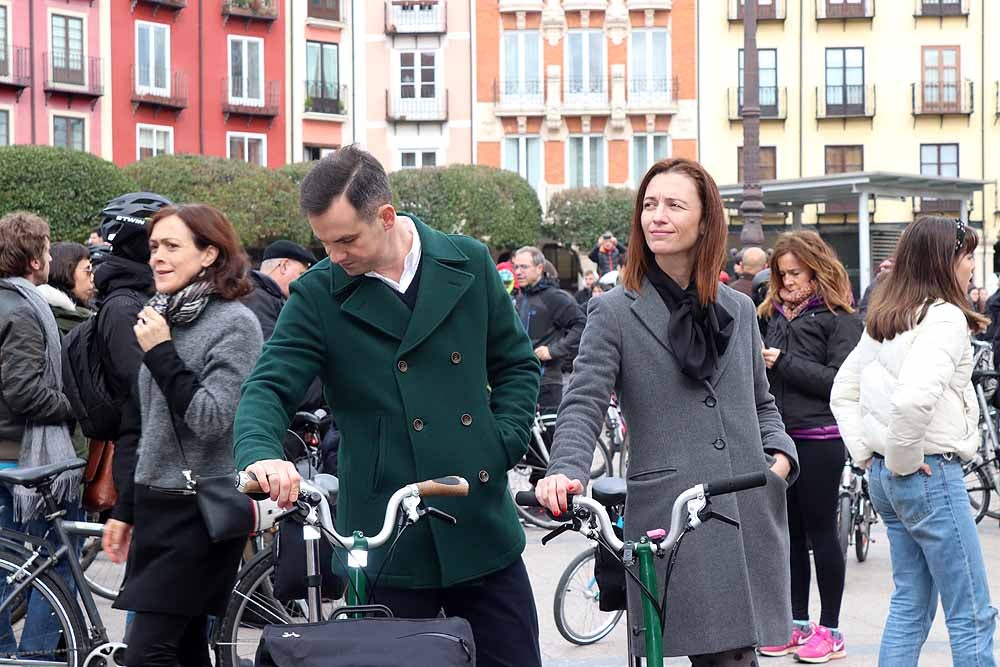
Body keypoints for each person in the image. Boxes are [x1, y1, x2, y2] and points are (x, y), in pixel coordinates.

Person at [232, 145, 543, 667]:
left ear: (386, 216)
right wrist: (262, 454)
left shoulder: (468, 260)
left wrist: (498, 444)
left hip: (481, 526)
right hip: (383, 539)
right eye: (324, 242)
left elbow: (515, 365)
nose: (334, 255)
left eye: (346, 239)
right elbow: (267, 387)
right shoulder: (316, 295)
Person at [537, 157, 798, 666]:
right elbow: (585, 398)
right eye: (649, 205)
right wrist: (566, 468)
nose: (657, 215)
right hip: (674, 515)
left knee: (736, 656)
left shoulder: (739, 309)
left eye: (674, 205)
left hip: (746, 504)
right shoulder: (613, 310)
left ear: (705, 221)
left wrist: (779, 461)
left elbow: (763, 404)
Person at [831, 216, 997, 666]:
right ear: (947, 261)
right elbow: (911, 401)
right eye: (967, 257)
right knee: (972, 614)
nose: (971, 268)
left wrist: (870, 456)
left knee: (911, 604)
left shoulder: (890, 316)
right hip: (925, 472)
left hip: (890, 475)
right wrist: (902, 460)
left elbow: (842, 391)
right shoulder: (944, 318)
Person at [102, 204, 262, 666]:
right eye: (154, 247)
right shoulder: (161, 316)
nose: (158, 258)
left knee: (147, 651)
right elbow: (144, 424)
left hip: (200, 513)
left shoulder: (234, 324)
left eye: (172, 246)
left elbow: (213, 418)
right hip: (158, 505)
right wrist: (125, 508)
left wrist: (163, 353)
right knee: (184, 647)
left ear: (209, 254)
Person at [756, 231, 863, 662]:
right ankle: (795, 622)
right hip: (780, 440)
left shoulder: (840, 318)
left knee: (821, 533)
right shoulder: (770, 314)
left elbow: (839, 381)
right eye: (781, 275)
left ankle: (831, 629)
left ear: (817, 270)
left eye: (795, 274)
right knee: (790, 536)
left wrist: (783, 361)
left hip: (820, 438)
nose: (787, 283)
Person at [0, 212, 81, 657]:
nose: (51, 256)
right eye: (48, 248)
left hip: (10, 452)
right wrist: (77, 407)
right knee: (53, 563)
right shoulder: (25, 311)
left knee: (6, 568)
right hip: (23, 457)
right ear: (33, 259)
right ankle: (31, 659)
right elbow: (27, 392)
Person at [91, 192, 174, 430]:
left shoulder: (142, 297)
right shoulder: (124, 308)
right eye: (158, 245)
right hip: (140, 450)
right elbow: (144, 390)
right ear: (141, 246)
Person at [513, 246, 586, 414]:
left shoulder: (554, 297)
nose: (518, 272)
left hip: (547, 383)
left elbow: (582, 325)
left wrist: (553, 350)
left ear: (539, 268)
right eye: (516, 267)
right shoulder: (519, 298)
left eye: (524, 267)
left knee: (549, 440)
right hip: (521, 383)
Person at [244, 240, 317, 341]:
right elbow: (273, 347)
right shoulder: (258, 298)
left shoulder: (262, 294)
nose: (304, 281)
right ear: (284, 266)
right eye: (301, 274)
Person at [37, 241, 95, 336]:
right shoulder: (54, 321)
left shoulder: (82, 313)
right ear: (67, 271)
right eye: (87, 269)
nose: (92, 277)